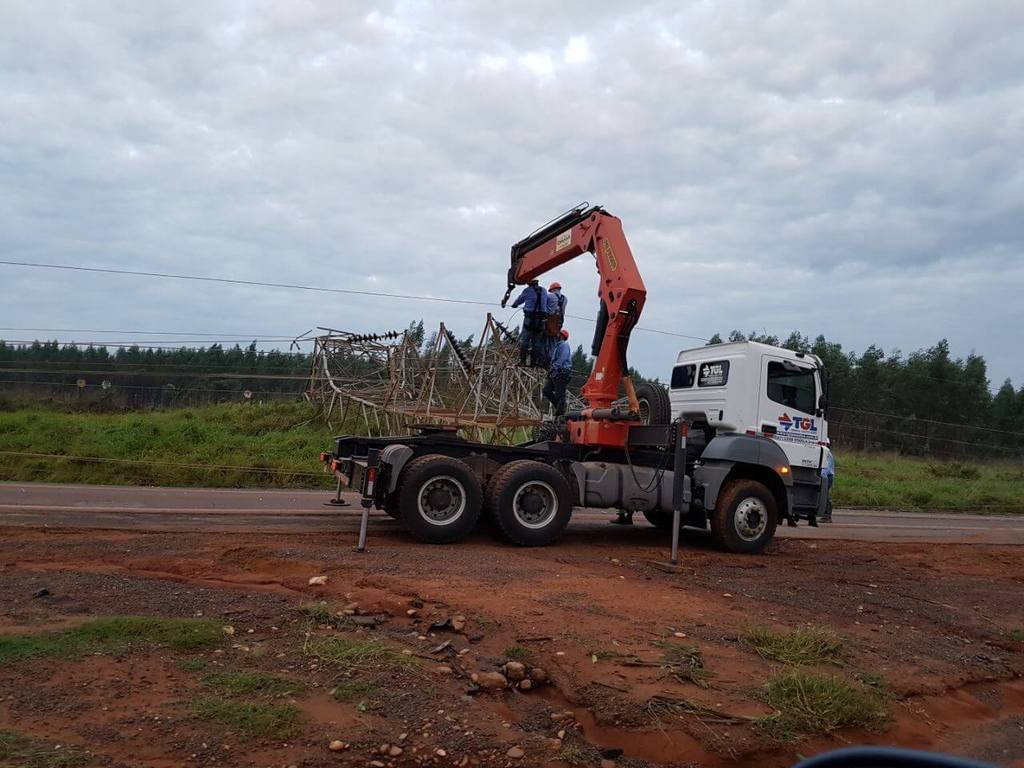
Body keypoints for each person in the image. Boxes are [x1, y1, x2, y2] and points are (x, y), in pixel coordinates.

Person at [511, 279, 549, 366]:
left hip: (530, 319)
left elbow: (518, 301)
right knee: (536, 343)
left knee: (525, 341)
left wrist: (514, 305)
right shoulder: (544, 290)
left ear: (529, 283)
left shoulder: (527, 291)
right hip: (541, 320)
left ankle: (522, 361)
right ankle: (534, 363)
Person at [542, 328, 573, 416]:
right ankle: (559, 407)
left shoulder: (564, 345)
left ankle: (561, 410)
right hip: (556, 372)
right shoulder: (556, 346)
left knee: (560, 394)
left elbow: (563, 358)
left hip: (562, 372)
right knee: (546, 390)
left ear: (562, 336)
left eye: (559, 335)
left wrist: (554, 367)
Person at [545, 282, 568, 362]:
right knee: (553, 343)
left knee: (543, 340)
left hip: (549, 321)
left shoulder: (550, 296)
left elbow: (544, 307)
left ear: (553, 289)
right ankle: (550, 361)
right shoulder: (565, 299)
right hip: (559, 323)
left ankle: (543, 360)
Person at [821, 445, 835, 523]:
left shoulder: (827, 454)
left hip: (827, 476)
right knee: (824, 495)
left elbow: (827, 468)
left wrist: (822, 476)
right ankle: (826, 515)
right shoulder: (827, 453)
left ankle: (827, 516)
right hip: (828, 476)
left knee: (825, 495)